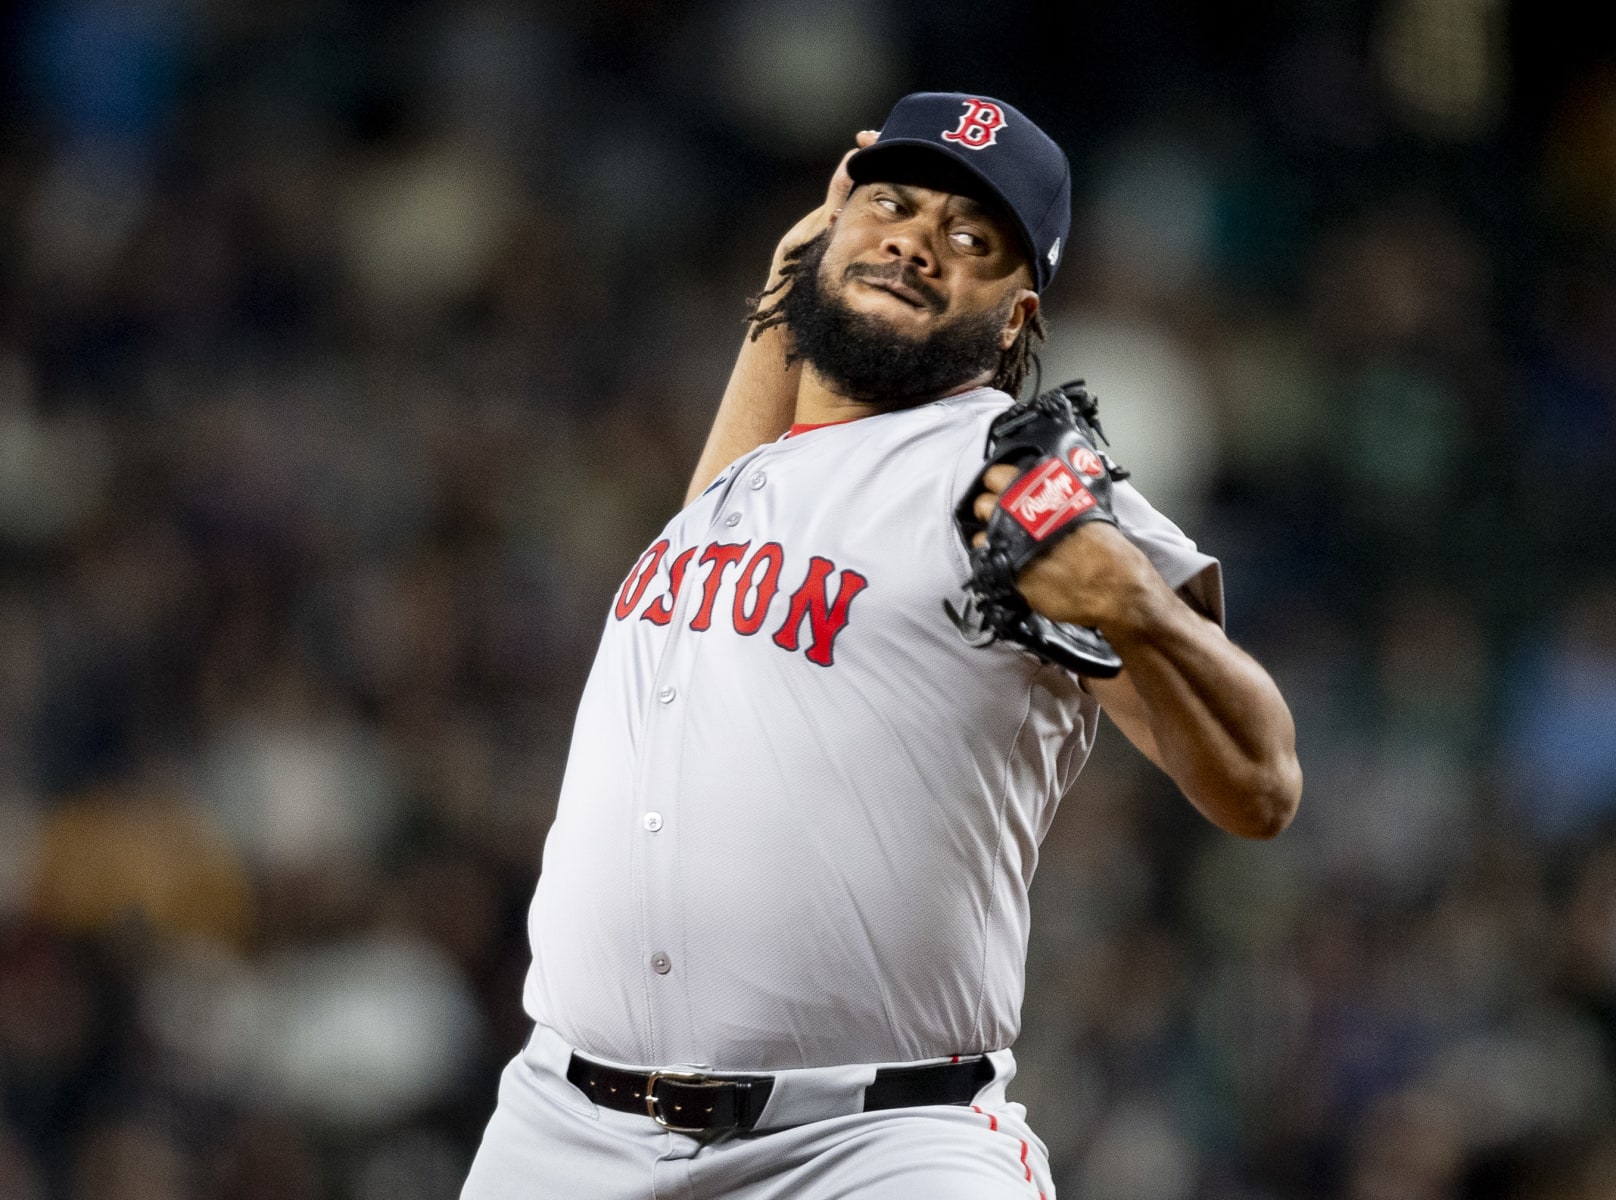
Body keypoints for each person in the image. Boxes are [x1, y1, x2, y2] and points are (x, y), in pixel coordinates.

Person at [461, 92, 1301, 1200]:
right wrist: (798, 269)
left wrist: (1139, 612)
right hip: (562, 1132)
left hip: (872, 1149)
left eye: (971, 239)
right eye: (893, 207)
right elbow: (731, 495)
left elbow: (1262, 784)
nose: (916, 240)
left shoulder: (1000, 469)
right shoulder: (748, 478)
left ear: (1015, 319)